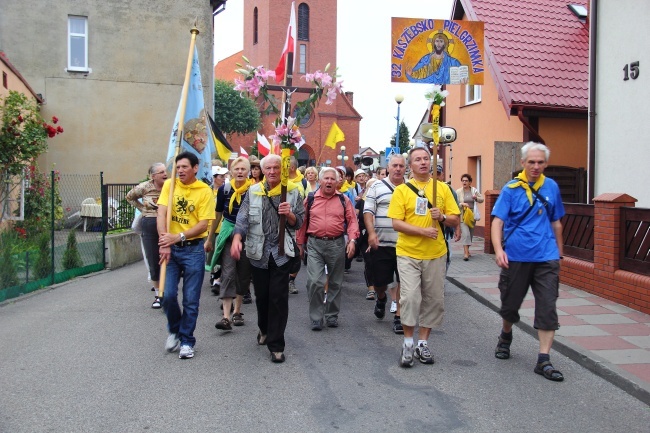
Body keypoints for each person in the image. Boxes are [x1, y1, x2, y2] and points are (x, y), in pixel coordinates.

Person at [491, 141, 565, 382]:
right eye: (531, 162)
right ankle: (505, 335)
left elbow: (556, 223)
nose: (535, 166)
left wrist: (559, 254)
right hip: (516, 256)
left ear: (545, 164)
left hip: (546, 257)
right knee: (510, 306)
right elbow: (497, 222)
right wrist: (498, 249)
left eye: (540, 162)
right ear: (522, 163)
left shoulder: (551, 187)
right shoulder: (511, 189)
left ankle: (544, 359)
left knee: (547, 306)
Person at [387, 146, 460, 367]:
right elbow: (396, 223)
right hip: (408, 253)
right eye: (417, 159)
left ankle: (423, 344)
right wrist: (422, 231)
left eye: (426, 158)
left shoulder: (442, 189)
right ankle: (408, 342)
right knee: (409, 298)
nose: (423, 162)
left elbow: (455, 219)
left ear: (431, 162)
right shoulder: (402, 190)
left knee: (434, 299)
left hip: (435, 254)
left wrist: (443, 216)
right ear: (411, 165)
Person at [231, 154, 304, 363]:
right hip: (258, 252)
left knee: (279, 299)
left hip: (282, 254)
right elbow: (243, 218)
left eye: (276, 168)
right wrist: (237, 238)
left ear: (282, 170)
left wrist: (289, 214)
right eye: (268, 168)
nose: (272, 171)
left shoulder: (292, 191)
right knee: (262, 297)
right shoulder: (253, 191)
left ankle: (276, 344)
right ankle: (263, 328)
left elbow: (299, 221)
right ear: (262, 171)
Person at [157, 151, 215, 359]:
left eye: (184, 167)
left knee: (191, 300)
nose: (179, 171)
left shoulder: (204, 191)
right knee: (167, 294)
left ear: (195, 168)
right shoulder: (169, 186)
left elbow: (202, 224)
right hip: (170, 249)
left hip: (193, 249)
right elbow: (161, 213)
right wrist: (164, 241)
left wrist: (178, 237)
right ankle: (175, 329)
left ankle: (187, 340)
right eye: (177, 167)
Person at [297, 167, 359, 330]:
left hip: (337, 244)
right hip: (315, 244)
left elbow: (352, 221)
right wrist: (299, 244)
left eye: (333, 179)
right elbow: (302, 223)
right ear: (320, 181)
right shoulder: (310, 199)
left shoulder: (343, 200)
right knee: (316, 281)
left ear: (337, 182)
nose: (329, 181)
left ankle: (331, 315)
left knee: (335, 282)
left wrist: (352, 240)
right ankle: (316, 317)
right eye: (326, 178)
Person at [206, 157, 252, 331]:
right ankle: (226, 316)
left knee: (244, 273)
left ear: (248, 172)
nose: (240, 172)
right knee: (227, 272)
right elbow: (217, 215)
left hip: (248, 235)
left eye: (243, 169)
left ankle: (238, 311)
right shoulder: (224, 189)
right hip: (227, 233)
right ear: (231, 171)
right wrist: (210, 238)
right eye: (237, 169)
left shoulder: (254, 190)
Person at [364, 154, 407, 334]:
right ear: (388, 168)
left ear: (406, 168)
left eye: (401, 166)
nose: (398, 169)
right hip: (382, 244)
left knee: (405, 283)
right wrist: (371, 233)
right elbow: (368, 211)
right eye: (394, 165)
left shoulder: (411, 188)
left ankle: (399, 316)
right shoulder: (376, 187)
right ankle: (381, 298)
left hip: (406, 244)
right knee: (381, 282)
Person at [126, 162, 167, 308]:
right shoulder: (144, 187)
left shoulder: (170, 186)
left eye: (165, 171)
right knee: (153, 258)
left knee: (168, 258)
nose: (164, 174)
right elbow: (129, 197)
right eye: (161, 172)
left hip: (167, 224)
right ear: (153, 176)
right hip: (149, 223)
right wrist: (143, 208)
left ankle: (167, 291)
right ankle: (158, 295)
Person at [287, 156, 306, 295]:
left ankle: (291, 279)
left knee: (297, 254)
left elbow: (309, 201)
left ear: (291, 167)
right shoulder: (280, 181)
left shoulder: (303, 183)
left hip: (298, 223)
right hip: (283, 223)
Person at [456, 173, 484, 261]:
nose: (464, 182)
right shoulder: (458, 191)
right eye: (463, 180)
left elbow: (481, 199)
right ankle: (466, 254)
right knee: (466, 234)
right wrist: (462, 204)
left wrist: (476, 198)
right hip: (463, 215)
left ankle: (467, 250)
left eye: (466, 181)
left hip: (472, 215)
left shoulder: (474, 190)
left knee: (470, 235)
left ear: (470, 182)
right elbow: (455, 203)